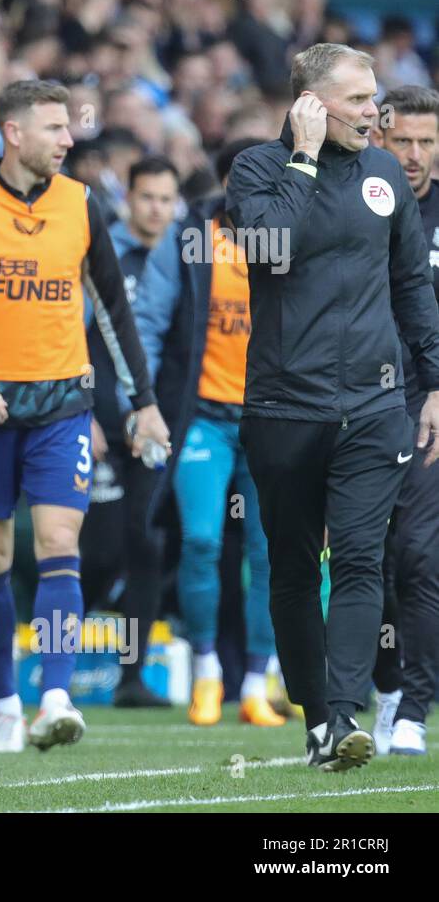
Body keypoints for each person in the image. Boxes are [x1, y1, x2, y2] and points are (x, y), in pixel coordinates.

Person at [226, 43, 439, 771]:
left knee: (358, 556)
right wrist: (305, 161)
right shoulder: (257, 168)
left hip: (375, 405)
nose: (372, 111)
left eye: (372, 96)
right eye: (355, 99)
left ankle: (346, 714)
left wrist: (435, 380)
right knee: (290, 567)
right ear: (310, 104)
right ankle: (318, 720)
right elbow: (269, 247)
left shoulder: (384, 174)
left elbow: (412, 281)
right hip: (284, 406)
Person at [0, 80, 168, 754]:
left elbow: (113, 309)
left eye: (68, 128)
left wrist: (144, 402)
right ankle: (6, 704)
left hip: (62, 404)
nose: (69, 140)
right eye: (53, 129)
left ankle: (57, 695)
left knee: (58, 545)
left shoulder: (83, 204)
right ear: (13, 133)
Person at [128, 139, 285, 727]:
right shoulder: (192, 238)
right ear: (225, 184)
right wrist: (142, 403)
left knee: (269, 552)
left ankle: (257, 681)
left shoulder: (290, 238)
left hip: (272, 420)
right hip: (204, 420)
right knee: (199, 541)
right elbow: (148, 321)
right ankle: (207, 673)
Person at [83, 154, 181, 709]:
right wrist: (86, 413)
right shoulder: (98, 252)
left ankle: (132, 677)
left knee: (146, 543)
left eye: (167, 200)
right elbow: (75, 338)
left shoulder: (181, 258)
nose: (157, 209)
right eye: (147, 198)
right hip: (97, 419)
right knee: (94, 551)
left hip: (151, 426)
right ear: (129, 199)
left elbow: (180, 349)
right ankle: (56, 667)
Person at [370, 84, 439, 757]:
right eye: (403, 141)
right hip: (354, 406)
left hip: (427, 411)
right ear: (379, 139)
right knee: (364, 560)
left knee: (418, 558)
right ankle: (386, 687)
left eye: (427, 142)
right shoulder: (357, 207)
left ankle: (414, 709)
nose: (414, 155)